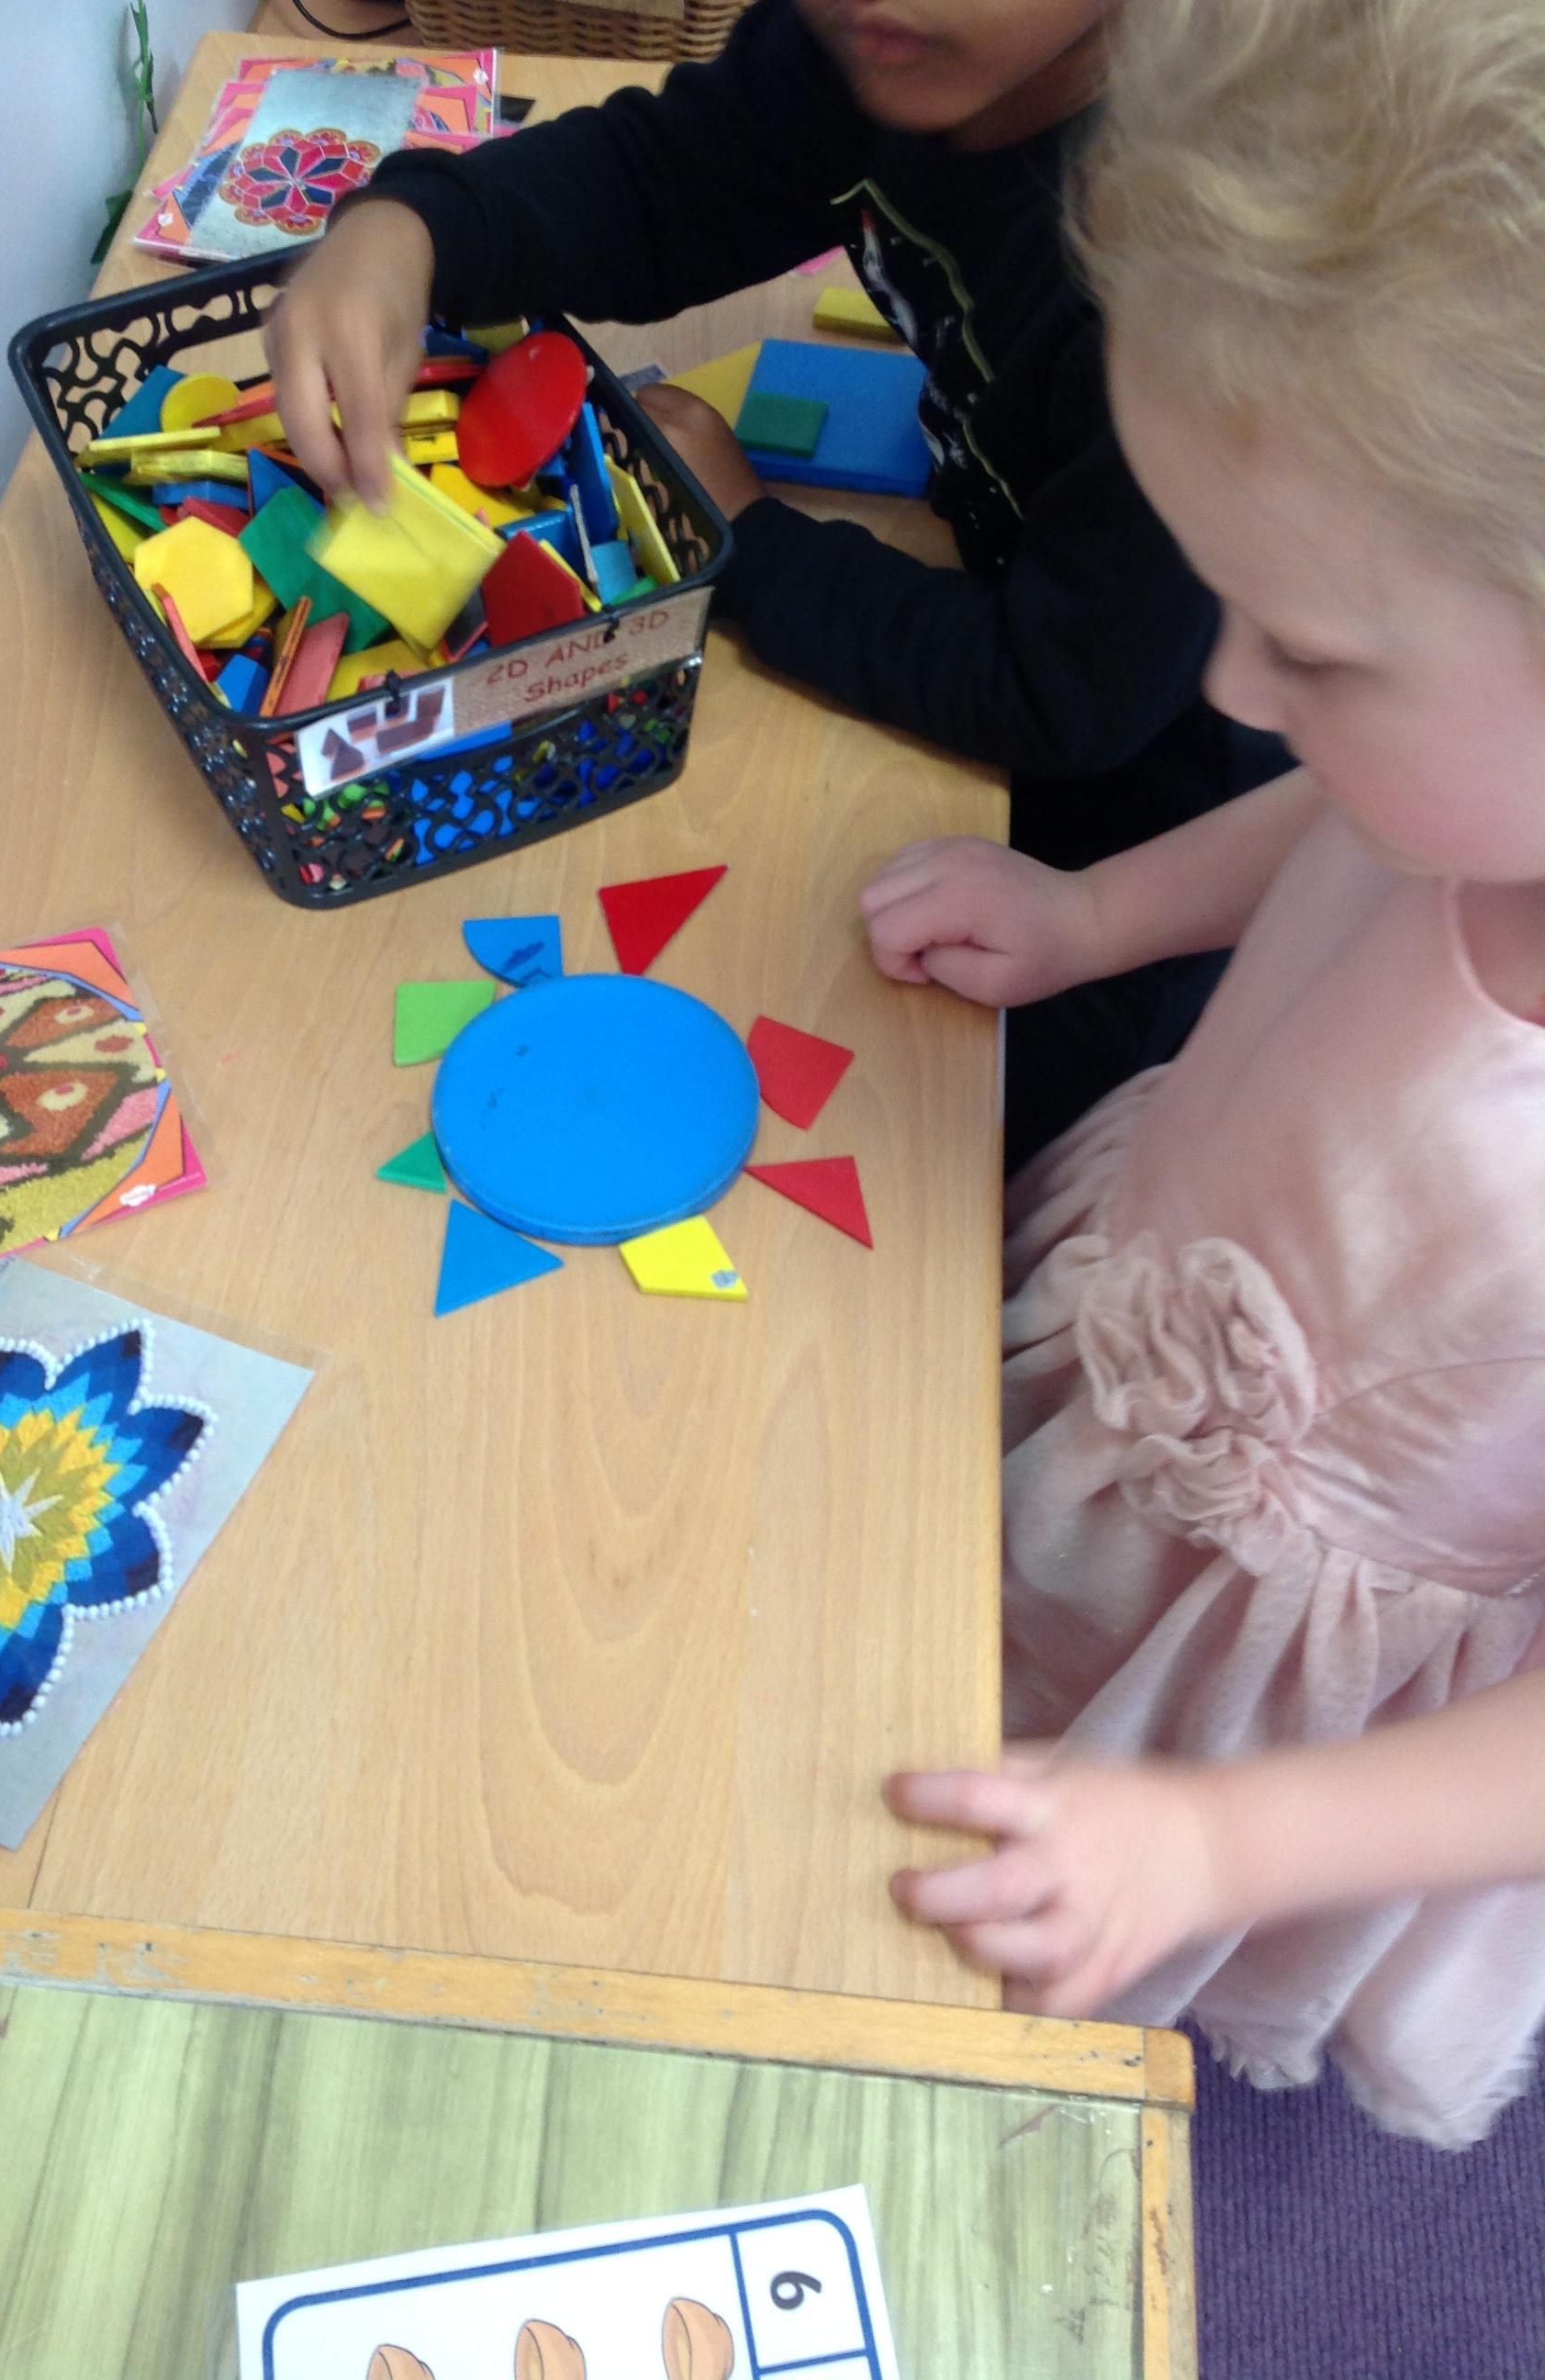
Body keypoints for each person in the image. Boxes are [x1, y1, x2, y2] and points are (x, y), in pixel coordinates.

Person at [865, 0, 1545, 2147]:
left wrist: (1219, 1841)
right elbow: (1339, 824)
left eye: (1309, 652)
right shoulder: (1456, 774)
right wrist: (1090, 917)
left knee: (1053, 1913)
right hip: (1148, 1305)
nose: (1232, 689)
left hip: (1285, 1693)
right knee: (953, 1655)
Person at [263, 0, 1287, 1172]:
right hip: (1023, 642)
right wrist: (414, 226)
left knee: (877, 1150)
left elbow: (1064, 693)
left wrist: (748, 537)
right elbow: (675, 178)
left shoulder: (1198, 277)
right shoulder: (889, 41)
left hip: (1135, 856)